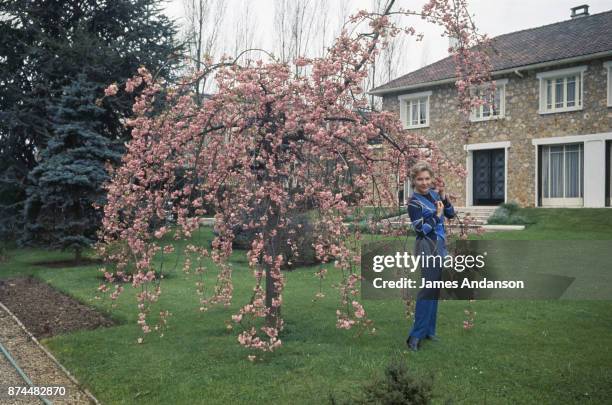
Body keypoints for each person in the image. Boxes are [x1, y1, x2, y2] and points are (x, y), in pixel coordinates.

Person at [405, 161, 455, 352]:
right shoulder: (414, 202)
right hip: (427, 246)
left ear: (432, 179)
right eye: (420, 179)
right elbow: (421, 230)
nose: (424, 182)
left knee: (434, 290)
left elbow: (451, 214)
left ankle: (428, 331)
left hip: (440, 246)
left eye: (427, 178)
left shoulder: (435, 195)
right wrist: (436, 214)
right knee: (427, 290)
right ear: (414, 181)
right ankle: (414, 336)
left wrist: (444, 198)